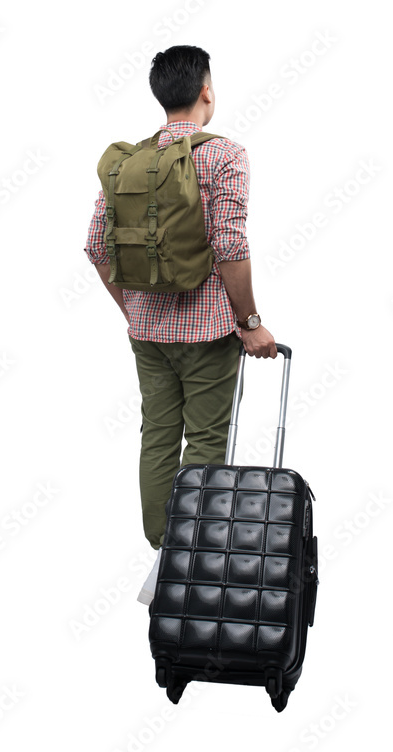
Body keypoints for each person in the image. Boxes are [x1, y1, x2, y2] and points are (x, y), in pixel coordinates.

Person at [83, 44, 276, 604]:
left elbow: (95, 248)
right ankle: (192, 558)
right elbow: (230, 245)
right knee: (208, 439)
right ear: (206, 90)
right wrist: (252, 323)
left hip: (147, 335)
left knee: (158, 436)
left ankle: (162, 549)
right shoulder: (224, 155)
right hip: (210, 332)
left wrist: (134, 312)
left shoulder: (125, 162)